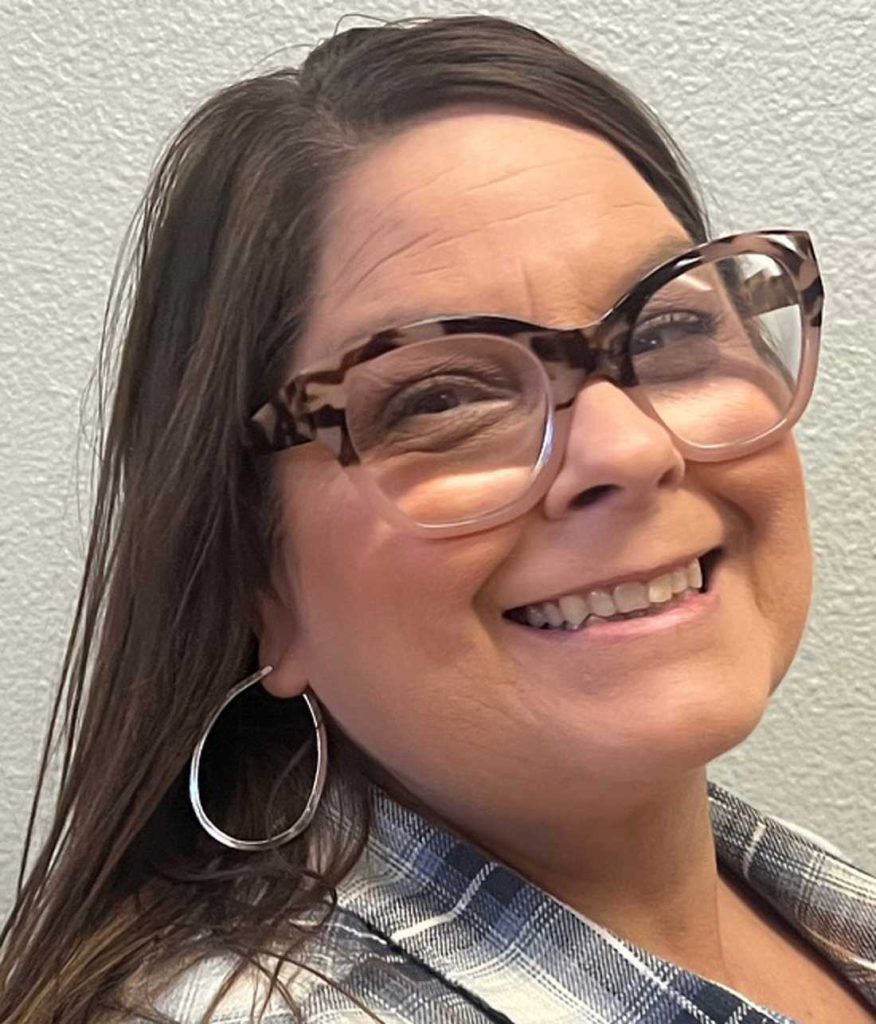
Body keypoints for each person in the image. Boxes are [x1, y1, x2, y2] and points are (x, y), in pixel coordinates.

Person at [0, 13, 873, 1024]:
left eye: (672, 329)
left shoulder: (792, 900)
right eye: (442, 399)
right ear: (258, 576)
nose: (631, 451)